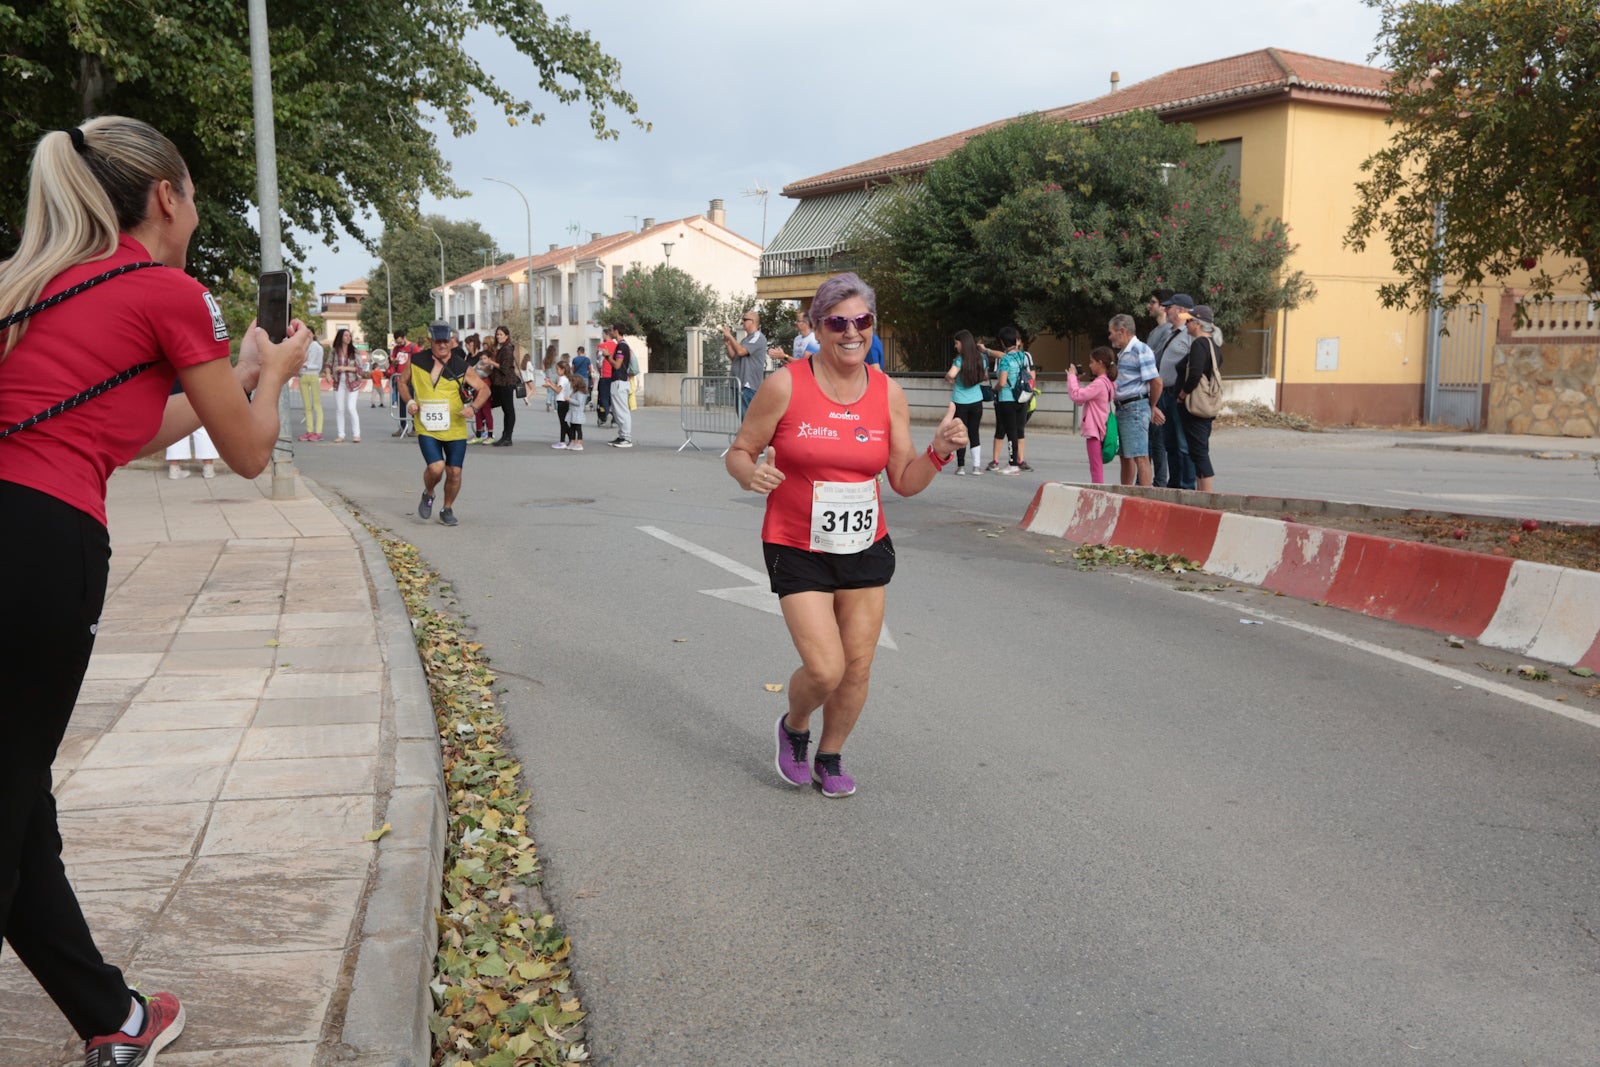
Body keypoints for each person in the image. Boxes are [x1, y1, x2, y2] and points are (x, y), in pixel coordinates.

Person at [0, 116, 310, 1066]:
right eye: (195, 197)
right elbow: (249, 453)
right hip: (41, 548)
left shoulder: (29, 284)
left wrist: (239, 371)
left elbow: (118, 425)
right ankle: (116, 1017)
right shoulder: (168, 291)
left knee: (19, 798)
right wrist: (277, 376)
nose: (197, 213)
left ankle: (117, 1015)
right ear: (166, 197)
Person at [725, 272, 966, 798]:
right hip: (796, 543)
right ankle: (794, 727)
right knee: (826, 668)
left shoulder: (888, 393)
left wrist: (939, 451)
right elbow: (740, 451)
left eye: (863, 320)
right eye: (838, 323)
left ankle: (830, 756)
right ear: (818, 328)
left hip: (863, 545)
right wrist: (750, 474)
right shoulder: (785, 384)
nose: (852, 331)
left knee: (856, 668)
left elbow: (904, 480)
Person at [397, 320, 487, 527]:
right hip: (427, 427)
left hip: (455, 427)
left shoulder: (461, 366)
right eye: (438, 342)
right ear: (430, 341)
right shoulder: (416, 361)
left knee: (454, 472)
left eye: (446, 341)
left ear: (452, 341)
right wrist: (409, 401)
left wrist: (473, 408)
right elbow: (401, 382)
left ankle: (447, 509)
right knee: (436, 468)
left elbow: (484, 389)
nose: (443, 345)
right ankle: (429, 493)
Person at [1109, 312, 1163, 486]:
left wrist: (1151, 406)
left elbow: (1156, 382)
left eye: (1111, 332)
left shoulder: (1140, 350)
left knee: (1140, 455)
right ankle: (1126, 493)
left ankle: (1144, 496)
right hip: (1124, 408)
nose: (1110, 336)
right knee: (1126, 456)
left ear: (1122, 331)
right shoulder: (1123, 353)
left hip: (1135, 408)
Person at [1175, 305, 1222, 492]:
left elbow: (1194, 374)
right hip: (1204, 405)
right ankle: (1201, 495)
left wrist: (1182, 395)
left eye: (1188, 321)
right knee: (1198, 451)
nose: (1186, 324)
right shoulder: (1213, 345)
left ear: (1198, 323)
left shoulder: (1199, 344)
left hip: (1195, 406)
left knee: (1200, 453)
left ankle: (1206, 496)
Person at [1154, 293, 1197, 489]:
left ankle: (1187, 486)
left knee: (1182, 443)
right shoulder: (1171, 333)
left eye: (1169, 307)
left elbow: (1195, 363)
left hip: (1178, 394)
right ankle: (1174, 484)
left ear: (1181, 310)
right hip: (1165, 393)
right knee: (1169, 442)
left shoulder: (1190, 334)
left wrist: (1184, 391)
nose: (1166, 310)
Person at [980, 328, 1030, 474]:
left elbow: (1002, 382)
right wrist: (986, 350)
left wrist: (994, 390)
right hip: (1021, 398)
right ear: (1016, 340)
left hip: (1007, 399)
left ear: (1002, 342)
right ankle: (1015, 461)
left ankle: (1013, 464)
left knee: (1011, 432)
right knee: (1017, 431)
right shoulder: (1023, 356)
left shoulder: (1005, 360)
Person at [1066, 347, 1117, 485]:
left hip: (1095, 430)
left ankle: (1098, 491)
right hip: (1101, 427)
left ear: (1100, 363)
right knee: (1096, 465)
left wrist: (1072, 377)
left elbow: (1077, 396)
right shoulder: (1107, 382)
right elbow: (1080, 399)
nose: (1089, 365)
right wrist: (1076, 381)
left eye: (1092, 362)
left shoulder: (1099, 383)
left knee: (1096, 467)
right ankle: (1097, 489)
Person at [942, 329, 987, 475]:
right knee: (974, 433)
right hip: (977, 401)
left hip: (960, 401)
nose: (955, 346)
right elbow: (985, 376)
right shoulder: (981, 358)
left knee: (960, 433)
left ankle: (961, 467)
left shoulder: (960, 360)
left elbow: (950, 374)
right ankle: (976, 467)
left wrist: (950, 380)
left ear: (963, 343)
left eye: (956, 343)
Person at [721, 308, 765, 416]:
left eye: (745, 319)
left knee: (748, 420)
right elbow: (734, 357)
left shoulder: (758, 337)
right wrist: (728, 345)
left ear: (752, 322)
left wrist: (730, 336)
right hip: (738, 384)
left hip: (748, 386)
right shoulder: (746, 339)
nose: (742, 321)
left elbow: (741, 351)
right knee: (743, 419)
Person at [483, 324, 520, 446]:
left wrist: (491, 362)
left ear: (507, 336)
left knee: (509, 410)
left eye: (501, 334)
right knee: (506, 410)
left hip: (506, 383)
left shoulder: (507, 349)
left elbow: (504, 368)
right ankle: (505, 436)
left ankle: (508, 437)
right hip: (501, 383)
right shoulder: (503, 348)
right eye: (497, 334)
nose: (498, 336)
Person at [325, 326, 363, 443]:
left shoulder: (354, 351)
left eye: (349, 335)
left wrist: (344, 368)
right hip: (338, 382)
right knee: (340, 409)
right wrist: (328, 374)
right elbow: (328, 364)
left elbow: (359, 368)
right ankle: (341, 435)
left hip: (352, 382)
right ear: (340, 337)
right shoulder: (334, 351)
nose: (348, 337)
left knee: (351, 408)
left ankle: (356, 434)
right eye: (346, 335)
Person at [606, 325, 635, 448]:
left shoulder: (622, 346)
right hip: (619, 381)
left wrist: (608, 357)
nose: (610, 332)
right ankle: (622, 436)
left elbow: (617, 365)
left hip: (620, 381)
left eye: (611, 330)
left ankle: (626, 438)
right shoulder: (622, 345)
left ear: (616, 331)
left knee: (622, 411)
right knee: (617, 411)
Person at [464, 334, 494, 443]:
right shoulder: (474, 358)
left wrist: (479, 369)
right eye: (481, 358)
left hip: (484, 384)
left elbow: (488, 370)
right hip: (475, 385)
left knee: (486, 410)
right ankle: (478, 434)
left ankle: (490, 435)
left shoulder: (488, 362)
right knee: (477, 410)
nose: (482, 359)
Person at [297, 333, 325, 441]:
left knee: (316, 405)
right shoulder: (302, 346)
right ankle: (309, 431)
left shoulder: (317, 347)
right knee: (307, 406)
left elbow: (318, 365)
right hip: (303, 376)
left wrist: (305, 366)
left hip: (313, 375)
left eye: (309, 333)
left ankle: (318, 432)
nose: (307, 335)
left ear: (313, 334)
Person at [388, 329, 417, 436]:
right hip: (399, 380)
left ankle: (415, 428)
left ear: (405, 338)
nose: (399, 344)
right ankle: (402, 427)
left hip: (411, 380)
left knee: (412, 403)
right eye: (397, 343)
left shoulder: (413, 347)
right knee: (401, 405)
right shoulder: (396, 349)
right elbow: (392, 361)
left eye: (400, 342)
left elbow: (419, 361)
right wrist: (393, 362)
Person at [549, 358, 573, 449]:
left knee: (563, 423)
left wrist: (550, 385)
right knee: (564, 422)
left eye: (558, 369)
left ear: (563, 370)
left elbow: (558, 390)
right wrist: (551, 383)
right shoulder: (567, 378)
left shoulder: (562, 378)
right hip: (565, 401)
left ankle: (564, 441)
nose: (557, 371)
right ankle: (570, 439)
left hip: (562, 401)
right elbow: (559, 388)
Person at [594, 334, 614, 425]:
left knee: (603, 397)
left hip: (604, 375)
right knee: (612, 397)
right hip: (614, 376)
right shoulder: (616, 345)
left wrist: (599, 370)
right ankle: (614, 415)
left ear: (606, 335)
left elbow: (599, 362)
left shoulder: (601, 346)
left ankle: (606, 413)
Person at [566, 371, 588, 450]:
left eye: (572, 382)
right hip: (573, 412)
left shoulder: (580, 393)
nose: (571, 383)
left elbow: (578, 402)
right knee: (572, 428)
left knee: (578, 428)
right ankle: (572, 441)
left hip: (577, 413)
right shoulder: (575, 392)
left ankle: (579, 443)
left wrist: (569, 399)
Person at [571, 345, 593, 409]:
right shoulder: (587, 359)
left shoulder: (575, 359)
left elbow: (572, 369)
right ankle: (583, 404)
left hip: (576, 378)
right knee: (585, 391)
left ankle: (577, 403)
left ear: (579, 351)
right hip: (585, 377)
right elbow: (590, 369)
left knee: (576, 390)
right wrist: (588, 373)